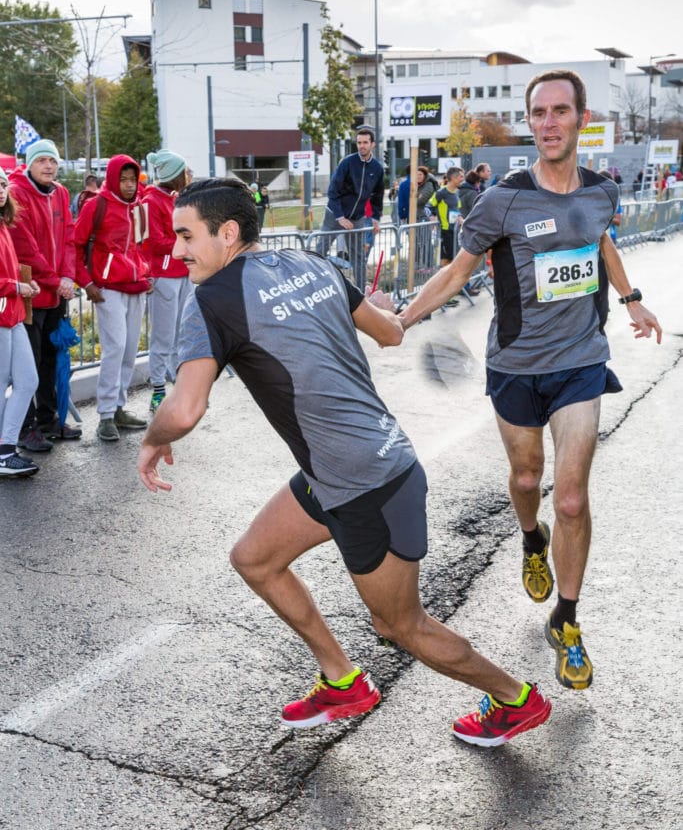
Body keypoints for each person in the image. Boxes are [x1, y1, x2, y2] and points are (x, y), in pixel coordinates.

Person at [137, 177, 552, 748]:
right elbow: (390, 333)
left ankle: (517, 700)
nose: (177, 250)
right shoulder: (311, 263)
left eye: (186, 236)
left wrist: (152, 438)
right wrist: (383, 309)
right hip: (339, 473)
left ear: (227, 233)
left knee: (400, 625)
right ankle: (342, 680)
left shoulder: (212, 300)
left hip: (368, 485)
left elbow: (183, 411)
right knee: (255, 560)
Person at [397, 69, 662, 692]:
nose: (548, 122)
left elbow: (600, 241)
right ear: (531, 121)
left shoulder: (602, 191)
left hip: (581, 362)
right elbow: (459, 271)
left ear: (580, 118)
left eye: (560, 111)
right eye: (538, 112)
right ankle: (529, 536)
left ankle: (566, 621)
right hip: (516, 364)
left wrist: (632, 299)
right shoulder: (503, 199)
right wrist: (404, 318)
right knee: (525, 479)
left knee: (570, 496)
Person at [9, 139, 81, 451]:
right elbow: (25, 249)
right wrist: (56, 280)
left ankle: (48, 419)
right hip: (30, 294)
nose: (49, 166)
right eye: (42, 161)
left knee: (51, 359)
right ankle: (25, 429)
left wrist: (67, 275)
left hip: (54, 291)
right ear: (29, 164)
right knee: (28, 364)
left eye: (52, 160)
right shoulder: (16, 193)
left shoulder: (61, 193)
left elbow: (69, 238)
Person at [74, 155, 151, 442]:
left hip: (135, 287)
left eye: (133, 179)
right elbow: (76, 245)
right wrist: (87, 282)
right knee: (115, 348)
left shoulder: (138, 207)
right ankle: (105, 415)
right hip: (107, 289)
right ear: (114, 178)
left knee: (130, 350)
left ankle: (119, 407)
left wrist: (147, 274)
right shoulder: (97, 204)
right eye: (124, 179)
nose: (130, 185)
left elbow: (141, 246)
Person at [143, 150, 192, 413]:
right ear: (174, 176)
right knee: (162, 336)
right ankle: (158, 390)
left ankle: (179, 387)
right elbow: (153, 242)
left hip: (182, 272)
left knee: (180, 334)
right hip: (164, 276)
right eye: (184, 171)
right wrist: (185, 239)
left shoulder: (174, 199)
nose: (187, 176)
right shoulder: (151, 200)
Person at [0, 167, 41, 476]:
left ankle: (5, 448)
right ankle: (4, 453)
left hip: (12, 315)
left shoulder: (4, 224)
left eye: (3, 185)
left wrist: (25, 283)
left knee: (28, 380)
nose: (1, 190)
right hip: (4, 314)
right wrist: (16, 286)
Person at [319, 127, 384, 289]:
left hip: (357, 218)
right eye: (359, 142)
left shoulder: (377, 168)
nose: (362, 146)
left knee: (359, 257)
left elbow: (377, 195)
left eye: (365, 143)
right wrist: (340, 217)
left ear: (373, 145)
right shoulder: (347, 163)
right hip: (334, 215)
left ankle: (361, 293)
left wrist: (376, 218)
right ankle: (314, 288)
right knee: (319, 253)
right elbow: (332, 192)